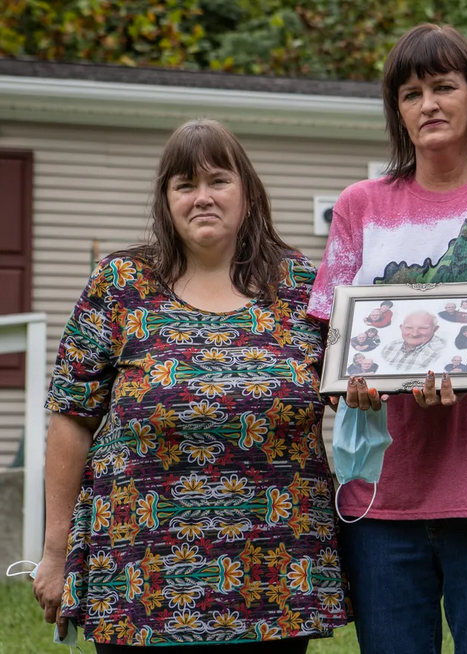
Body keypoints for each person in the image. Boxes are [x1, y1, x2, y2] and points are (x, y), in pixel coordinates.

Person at [33, 119, 349, 651]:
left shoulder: (299, 285)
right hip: (138, 573)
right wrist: (55, 551)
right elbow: (71, 416)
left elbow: (349, 389)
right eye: (185, 185)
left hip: (277, 570)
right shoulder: (120, 283)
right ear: (166, 200)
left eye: (218, 180)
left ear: (248, 194)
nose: (202, 197)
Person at [307, 23, 467, 654]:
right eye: (410, 93)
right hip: (381, 499)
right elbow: (329, 348)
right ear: (397, 111)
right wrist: (350, 385)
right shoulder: (360, 206)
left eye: (444, 86)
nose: (428, 104)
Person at [380, 310, 446, 372]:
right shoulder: (390, 346)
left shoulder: (443, 352)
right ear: (401, 328)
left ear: (435, 329)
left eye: (423, 328)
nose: (415, 334)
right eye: (409, 328)